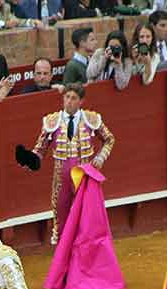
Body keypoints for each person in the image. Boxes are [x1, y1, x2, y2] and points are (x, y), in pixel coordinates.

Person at [27, 83, 114, 244]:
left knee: (86, 217)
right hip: (61, 177)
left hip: (84, 176)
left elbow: (109, 139)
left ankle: (84, 251)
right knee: (60, 215)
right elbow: (40, 150)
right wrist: (29, 159)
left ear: (81, 101)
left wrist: (101, 157)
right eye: (67, 97)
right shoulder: (52, 121)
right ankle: (62, 255)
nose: (69, 101)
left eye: (73, 98)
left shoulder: (91, 119)